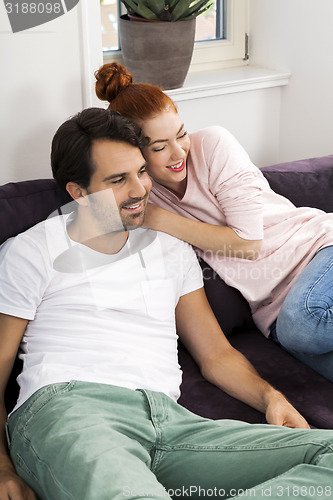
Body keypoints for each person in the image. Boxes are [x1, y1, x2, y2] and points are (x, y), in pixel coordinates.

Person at [1, 107, 333, 500]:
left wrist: (271, 398)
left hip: (171, 422)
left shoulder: (172, 247)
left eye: (141, 171)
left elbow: (215, 355)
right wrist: (4, 467)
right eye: (117, 180)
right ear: (78, 192)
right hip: (73, 412)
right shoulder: (31, 250)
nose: (141, 189)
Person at [95, 62, 333, 383]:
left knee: (304, 325)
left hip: (318, 251)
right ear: (134, 153)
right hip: (273, 313)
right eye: (159, 147)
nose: (178, 152)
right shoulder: (140, 192)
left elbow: (248, 244)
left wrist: (156, 218)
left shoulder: (213, 146)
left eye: (180, 134)